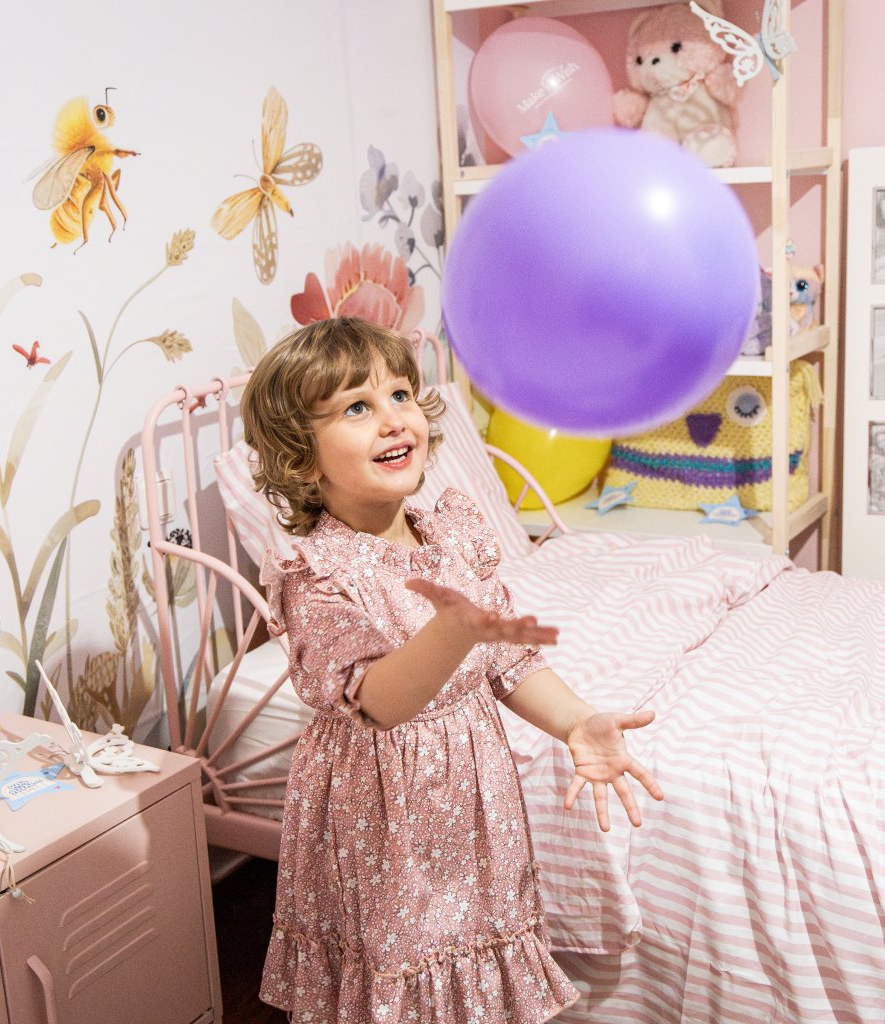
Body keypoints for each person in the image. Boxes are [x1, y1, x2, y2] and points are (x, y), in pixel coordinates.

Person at [240, 317, 662, 1023]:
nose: (392, 419)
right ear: (302, 459)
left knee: (475, 951)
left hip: (473, 797)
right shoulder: (317, 576)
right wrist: (451, 630)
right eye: (356, 407)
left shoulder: (450, 533)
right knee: (404, 964)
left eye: (400, 395)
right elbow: (378, 701)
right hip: (383, 816)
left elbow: (508, 659)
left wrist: (576, 723)